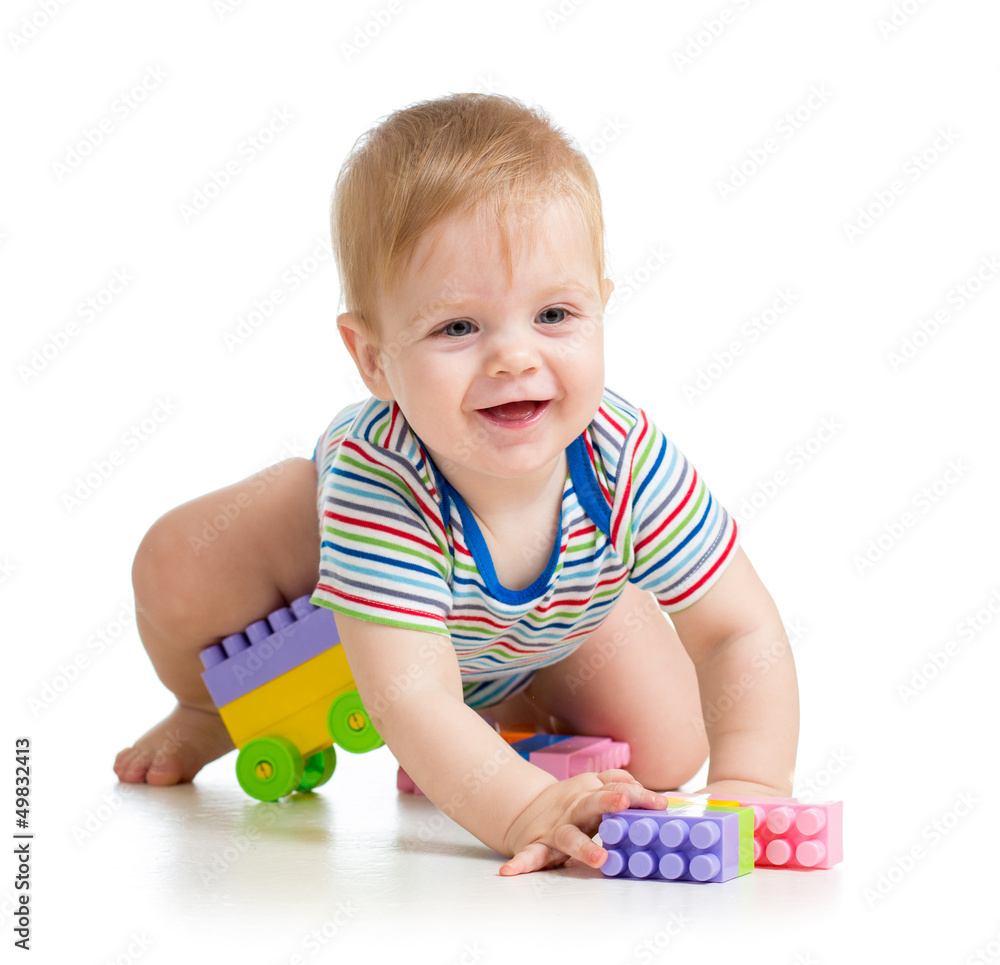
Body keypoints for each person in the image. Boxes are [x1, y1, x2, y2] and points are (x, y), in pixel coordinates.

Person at [115, 92, 799, 876]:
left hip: (544, 626)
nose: (514, 357)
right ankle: (209, 710)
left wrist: (754, 783)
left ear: (601, 309)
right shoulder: (387, 481)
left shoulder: (624, 454)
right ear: (373, 359)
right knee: (181, 563)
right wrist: (523, 806)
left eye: (554, 314)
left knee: (672, 748)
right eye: (457, 328)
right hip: (348, 591)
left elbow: (738, 629)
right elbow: (413, 694)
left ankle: (510, 702)